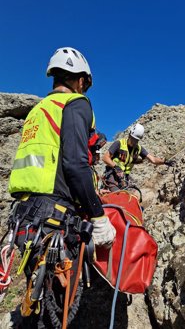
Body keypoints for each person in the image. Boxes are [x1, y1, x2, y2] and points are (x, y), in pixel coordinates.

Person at [7, 47, 115, 328]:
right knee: (61, 299)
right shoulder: (77, 104)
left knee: (39, 289)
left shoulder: (37, 112)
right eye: (85, 85)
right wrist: (99, 216)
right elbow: (75, 166)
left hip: (25, 216)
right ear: (80, 80)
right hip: (55, 217)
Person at [102, 123, 174, 192]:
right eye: (133, 139)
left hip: (124, 177)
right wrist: (116, 167)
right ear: (129, 135)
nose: (134, 142)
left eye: (136, 140)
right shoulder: (119, 144)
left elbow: (153, 160)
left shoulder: (138, 149)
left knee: (131, 197)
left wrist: (164, 162)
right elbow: (105, 157)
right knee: (118, 196)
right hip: (112, 174)